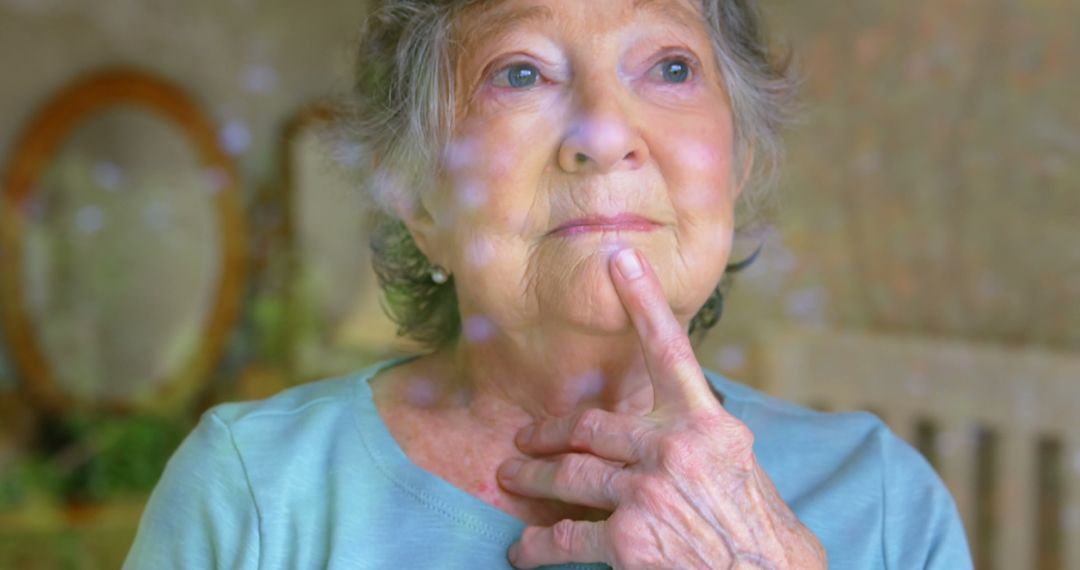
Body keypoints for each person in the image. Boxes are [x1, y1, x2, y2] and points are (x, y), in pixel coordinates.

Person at [126, 0, 973, 568]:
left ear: (737, 166)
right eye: (521, 72)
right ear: (419, 196)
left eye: (671, 68)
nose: (604, 134)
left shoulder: (881, 497)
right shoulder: (258, 490)